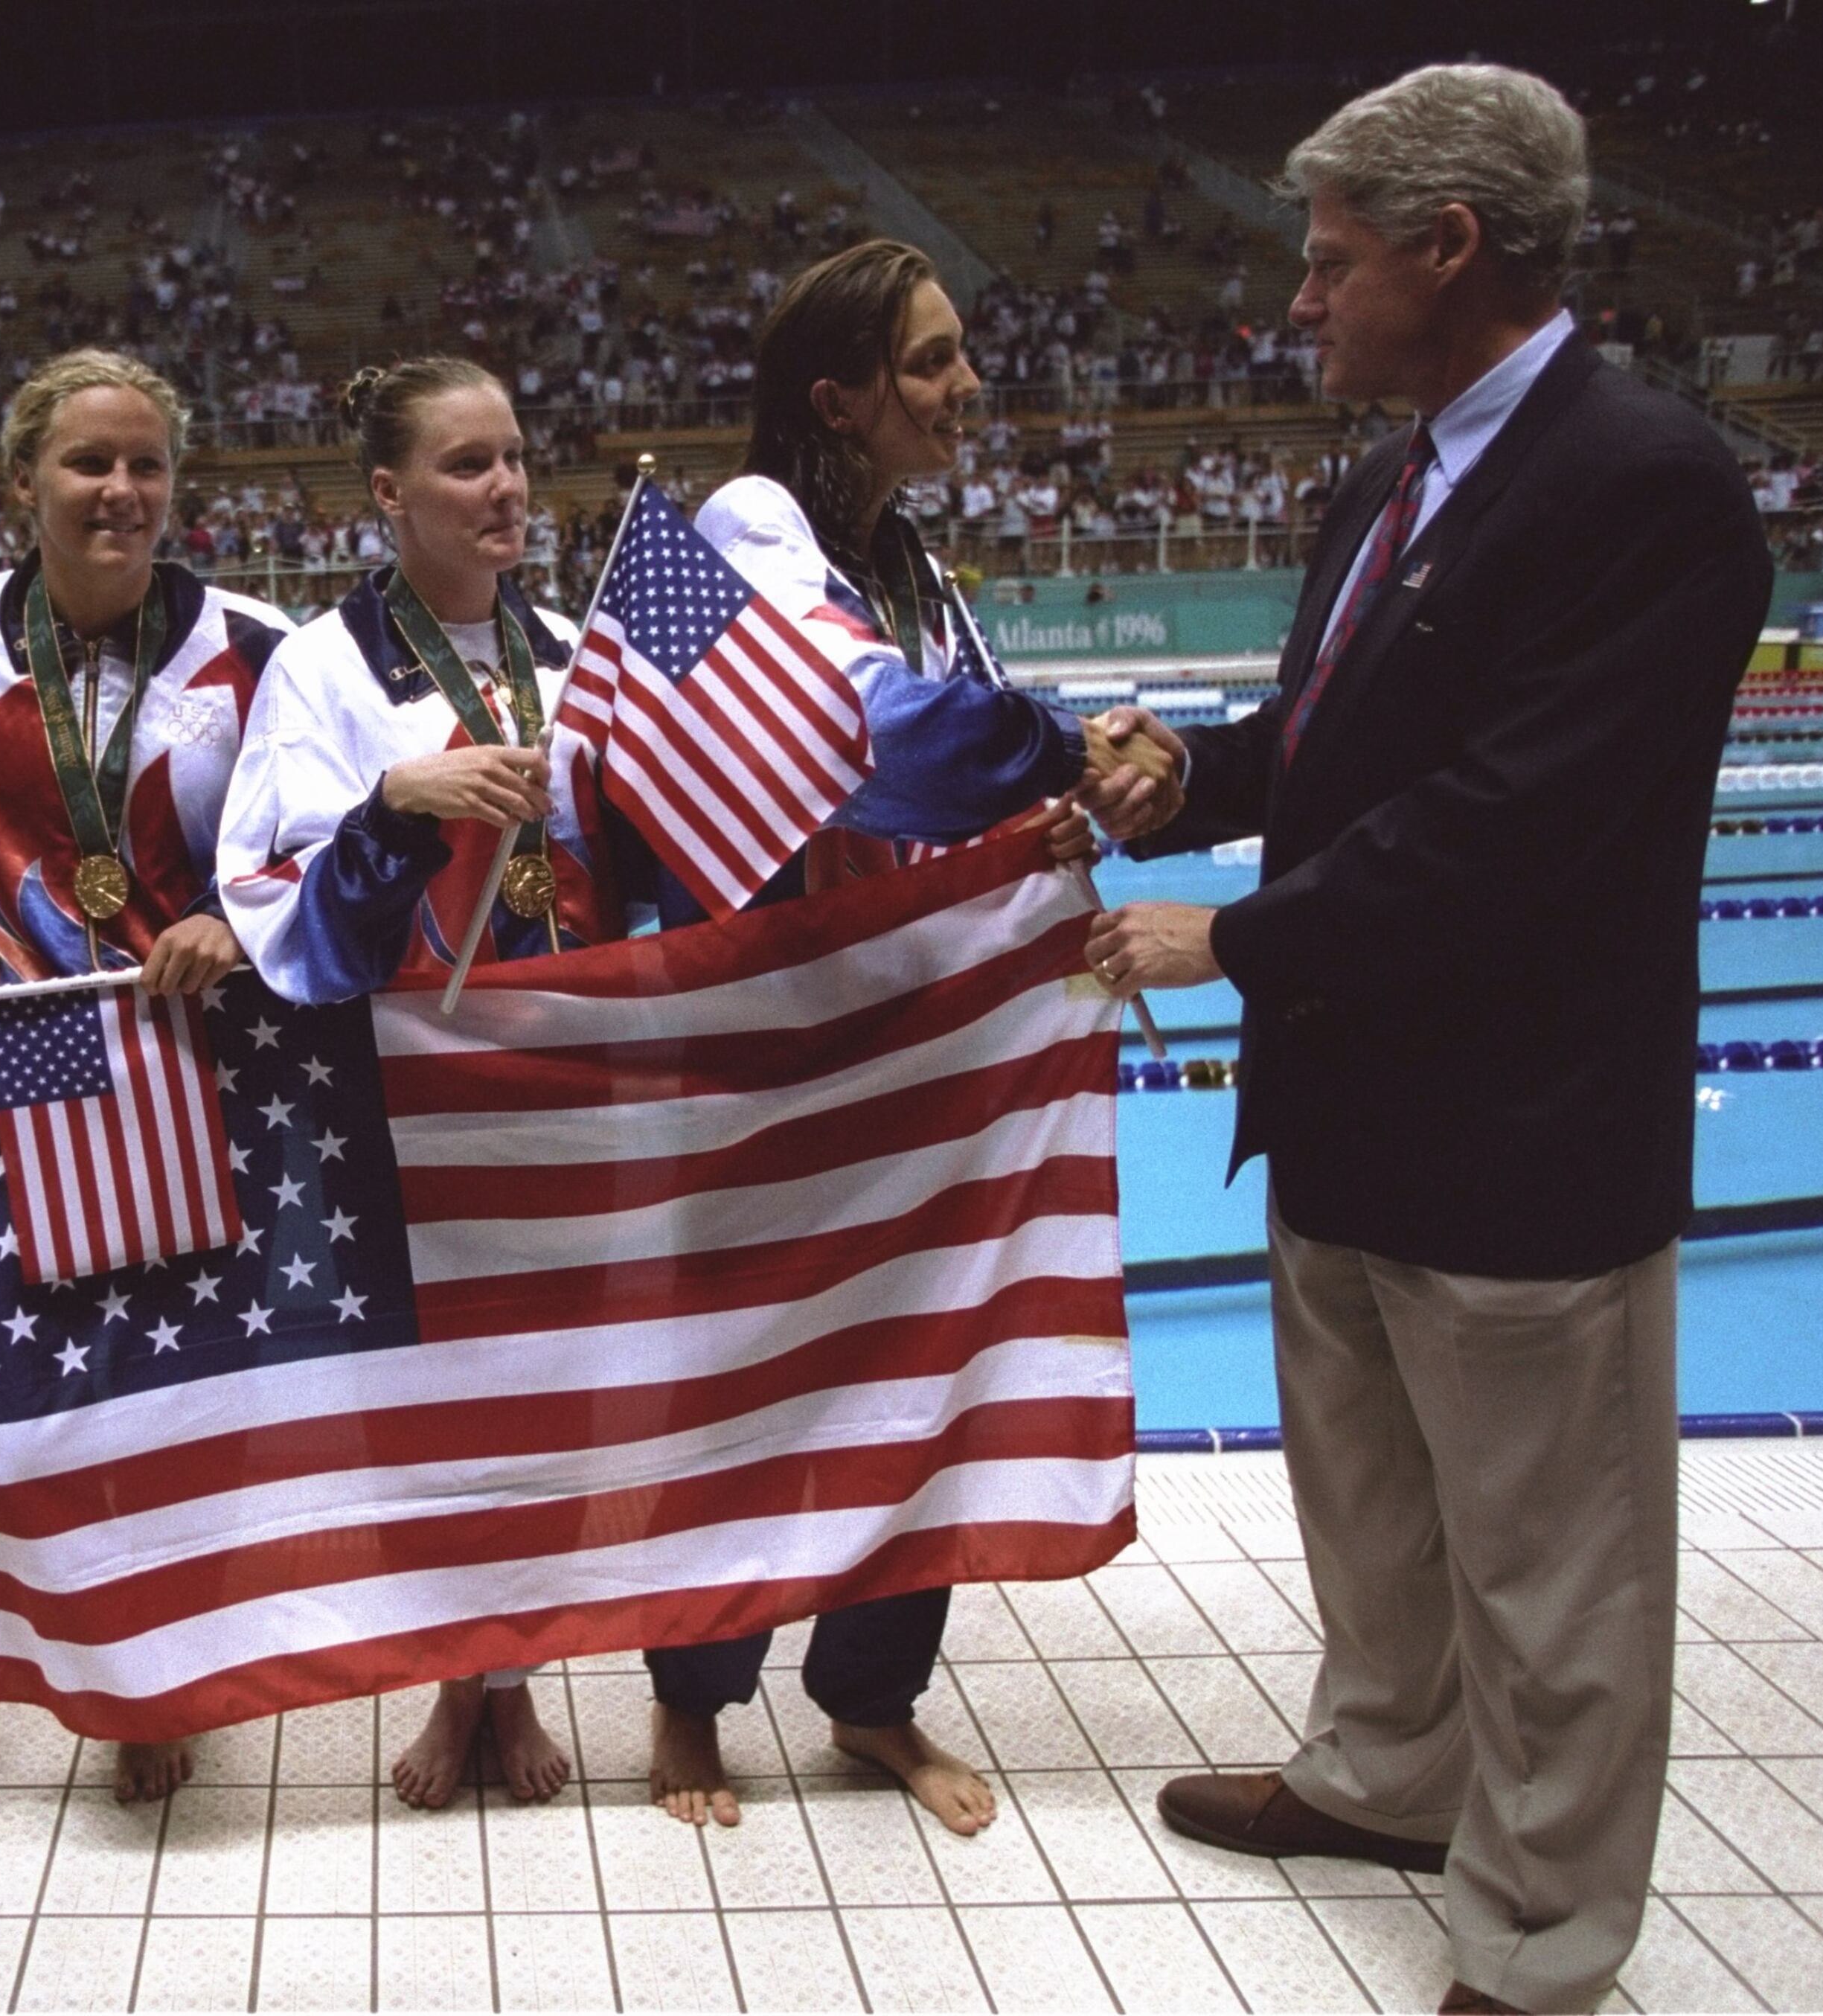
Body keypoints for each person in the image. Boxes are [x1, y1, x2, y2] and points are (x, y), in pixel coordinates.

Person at [1080, 66, 1772, 2015]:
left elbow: (1515, 821)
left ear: (1451, 248)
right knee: (1373, 1499)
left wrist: (1229, 929)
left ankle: (1548, 1934)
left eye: (1333, 263)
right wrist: (1185, 778)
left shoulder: (1647, 483)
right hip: (1353, 1098)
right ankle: (1389, 1773)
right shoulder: (1386, 475)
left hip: (1526, 1127)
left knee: (1553, 1563)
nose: (1303, 303)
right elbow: (1339, 741)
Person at [656, 237, 1158, 1833]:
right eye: (932, 361)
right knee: (750, 1361)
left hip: (918, 1031)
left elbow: (976, 769)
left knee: (937, 1346)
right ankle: (693, 1699)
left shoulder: (916, 557)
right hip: (778, 1027)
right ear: (840, 395)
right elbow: (855, 733)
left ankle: (871, 1694)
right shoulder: (751, 526)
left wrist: (1075, 807)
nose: (965, 386)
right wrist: (1055, 744)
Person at [0, 349, 292, 1804]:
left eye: (145, 465)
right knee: (37, 1352)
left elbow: (312, 842)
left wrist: (239, 915)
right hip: (28, 1034)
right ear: (23, 486)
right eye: (87, 464)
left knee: (177, 1363)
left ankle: (163, 1669)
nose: (120, 492)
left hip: (195, 1033)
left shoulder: (252, 637)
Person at [217, 356, 618, 1810]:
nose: (505, 486)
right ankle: (461, 1672)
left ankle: (508, 1676)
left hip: (566, 1089)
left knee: (551, 1395)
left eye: (514, 456)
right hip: (399, 1097)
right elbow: (272, 903)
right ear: (388, 494)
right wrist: (396, 807)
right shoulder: (323, 673)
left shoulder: (581, 645)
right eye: (465, 464)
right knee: (434, 1407)